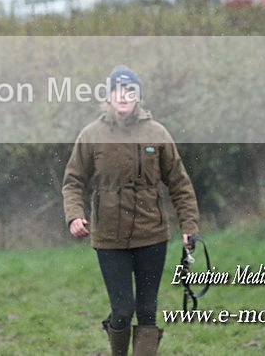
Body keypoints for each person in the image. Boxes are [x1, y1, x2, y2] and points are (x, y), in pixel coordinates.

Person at [62, 66, 200, 356]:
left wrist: (190, 226)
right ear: (108, 96)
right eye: (117, 91)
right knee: (122, 309)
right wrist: (75, 215)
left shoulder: (157, 133)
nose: (123, 97)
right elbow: (73, 181)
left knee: (148, 310)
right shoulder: (92, 135)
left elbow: (179, 183)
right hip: (109, 238)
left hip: (152, 235)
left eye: (130, 91)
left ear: (138, 96)